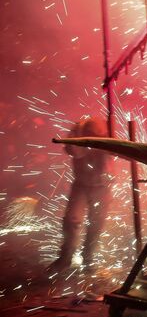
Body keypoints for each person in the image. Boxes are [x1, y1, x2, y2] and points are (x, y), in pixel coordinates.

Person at [47, 117, 113, 273]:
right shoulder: (78, 132)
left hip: (102, 187)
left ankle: (88, 259)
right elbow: (72, 150)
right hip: (81, 185)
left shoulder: (107, 136)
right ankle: (65, 259)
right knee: (72, 221)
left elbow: (119, 152)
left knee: (95, 224)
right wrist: (83, 143)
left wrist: (105, 143)